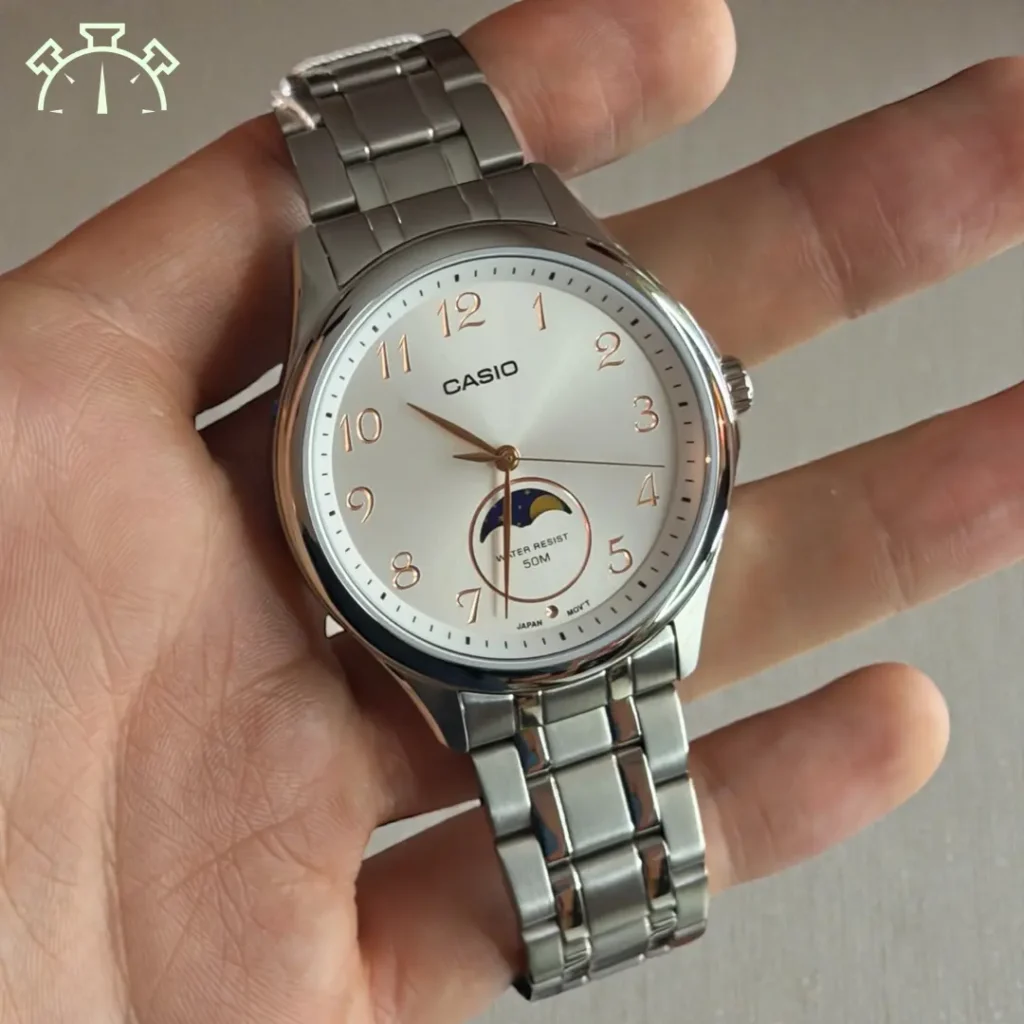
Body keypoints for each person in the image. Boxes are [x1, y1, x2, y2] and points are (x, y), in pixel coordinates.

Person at [0, 0, 1021, 1020]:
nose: (505, 451)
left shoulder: (630, 375)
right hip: (465, 634)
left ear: (715, 392)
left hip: (603, 597)